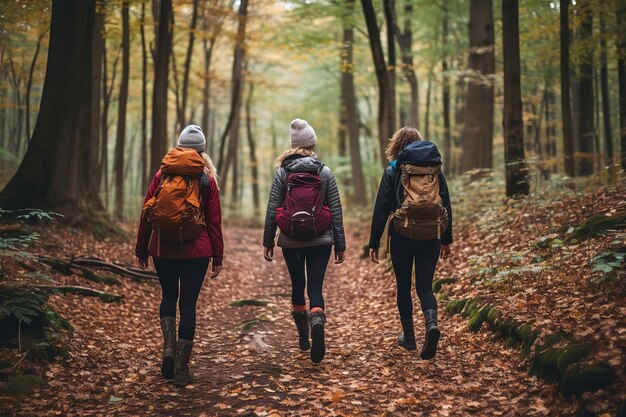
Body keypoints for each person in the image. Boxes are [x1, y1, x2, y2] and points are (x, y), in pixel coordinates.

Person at [135, 125, 223, 386]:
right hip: (197, 251)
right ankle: (182, 369)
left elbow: (146, 212)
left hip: (163, 247)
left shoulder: (163, 174)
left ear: (180, 146)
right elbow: (214, 222)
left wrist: (142, 248)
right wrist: (217, 256)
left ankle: (169, 350)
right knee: (187, 304)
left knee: (168, 296)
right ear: (202, 151)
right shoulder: (207, 179)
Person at [263, 119, 346, 364]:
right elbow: (336, 210)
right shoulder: (324, 171)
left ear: (293, 145)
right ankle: (318, 320)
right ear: (312, 143)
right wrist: (340, 244)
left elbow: (272, 209)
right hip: (321, 239)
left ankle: (303, 337)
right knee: (316, 288)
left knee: (297, 285)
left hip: (290, 239)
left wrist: (268, 241)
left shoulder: (283, 173)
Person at [368, 127, 453, 360]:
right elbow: (446, 202)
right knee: (425, 287)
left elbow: (381, 209)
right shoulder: (434, 170)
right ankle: (431, 325)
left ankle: (409, 338)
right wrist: (446, 239)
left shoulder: (393, 170)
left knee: (403, 286)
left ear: (397, 145)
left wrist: (373, 242)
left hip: (402, 235)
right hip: (431, 235)